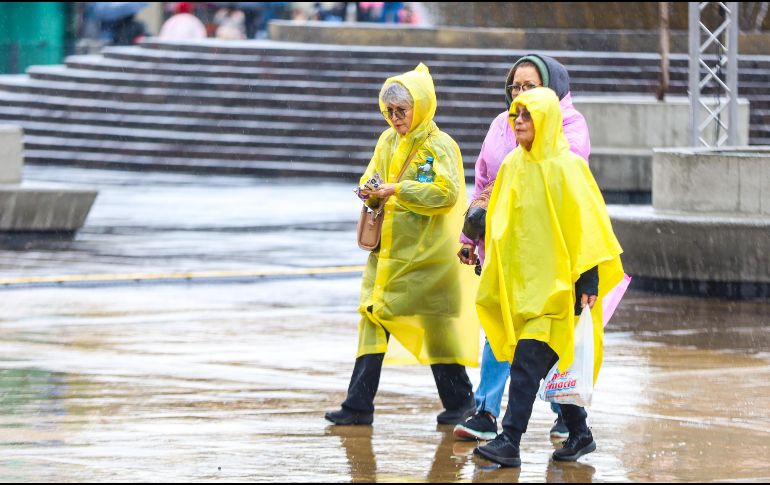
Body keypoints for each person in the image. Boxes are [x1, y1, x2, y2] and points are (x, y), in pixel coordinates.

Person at [473, 87, 625, 467]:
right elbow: (501, 220)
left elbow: (587, 225)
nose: (518, 122)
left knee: (527, 364)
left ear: (545, 119)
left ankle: (509, 440)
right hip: (522, 288)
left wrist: (587, 278)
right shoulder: (512, 165)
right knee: (547, 368)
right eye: (516, 115)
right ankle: (580, 433)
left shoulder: (568, 167)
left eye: (527, 115)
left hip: (559, 289)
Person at [325, 63, 479, 426]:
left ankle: (460, 401)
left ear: (421, 107)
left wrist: (398, 190)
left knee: (433, 326)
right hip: (387, 255)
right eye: (389, 111)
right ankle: (359, 404)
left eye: (401, 111)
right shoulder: (387, 141)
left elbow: (447, 193)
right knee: (373, 317)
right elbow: (372, 175)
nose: (395, 118)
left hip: (427, 256)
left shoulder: (439, 146)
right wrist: (370, 190)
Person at [454, 54, 591, 442]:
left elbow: (569, 187)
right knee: (500, 328)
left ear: (551, 88)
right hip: (503, 246)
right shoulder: (503, 124)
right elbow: (483, 181)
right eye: (515, 86)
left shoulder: (571, 128)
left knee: (543, 341)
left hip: (547, 255)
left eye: (529, 86)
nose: (519, 95)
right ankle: (486, 412)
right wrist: (470, 236)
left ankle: (566, 413)